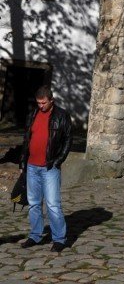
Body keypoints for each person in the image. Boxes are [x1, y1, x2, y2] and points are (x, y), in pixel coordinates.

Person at [19, 83, 71, 252]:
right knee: (34, 204)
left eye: (43, 103)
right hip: (32, 166)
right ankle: (35, 235)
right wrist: (22, 162)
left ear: (52, 100)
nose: (40, 106)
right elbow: (26, 139)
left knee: (53, 204)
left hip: (50, 167)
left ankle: (59, 239)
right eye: (38, 103)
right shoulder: (33, 114)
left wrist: (58, 161)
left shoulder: (62, 116)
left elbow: (68, 140)